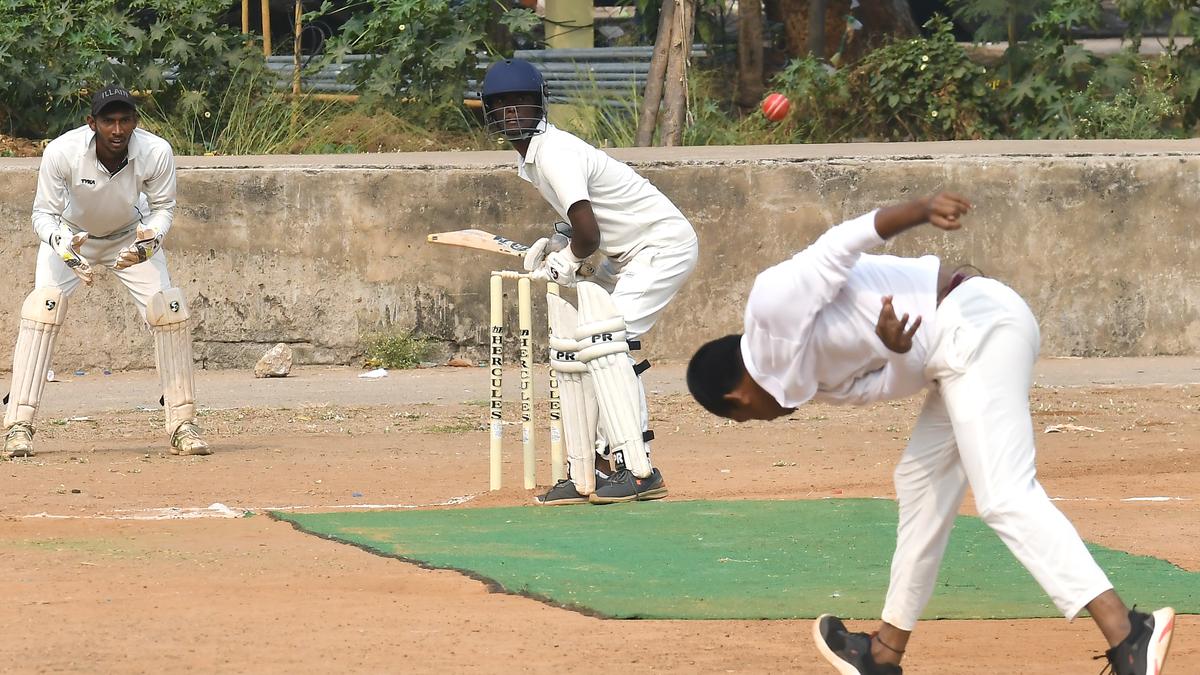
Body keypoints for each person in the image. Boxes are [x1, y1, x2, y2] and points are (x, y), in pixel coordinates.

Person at [686, 193, 1175, 675]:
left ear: (737, 400)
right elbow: (899, 379)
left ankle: (1129, 634)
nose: (765, 423)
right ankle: (882, 654)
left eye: (748, 420)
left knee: (1004, 496)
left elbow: (839, 244)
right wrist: (893, 347)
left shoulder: (771, 308)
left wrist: (920, 211)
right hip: (952, 357)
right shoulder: (812, 385)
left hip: (976, 323)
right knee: (919, 483)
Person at [479, 58, 699, 505]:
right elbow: (579, 222)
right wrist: (556, 242)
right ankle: (589, 469)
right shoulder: (536, 159)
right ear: (488, 111)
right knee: (584, 347)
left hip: (659, 246)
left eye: (521, 102)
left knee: (609, 343)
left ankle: (637, 469)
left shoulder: (554, 153)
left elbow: (590, 235)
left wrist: (566, 258)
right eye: (502, 104)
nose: (512, 112)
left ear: (540, 104)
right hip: (627, 254)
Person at [2, 84, 210, 459]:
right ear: (91, 122)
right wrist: (61, 246)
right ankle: (19, 426)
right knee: (43, 309)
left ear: (135, 121)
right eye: (108, 121)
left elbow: (164, 207)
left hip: (129, 238)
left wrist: (151, 241)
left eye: (125, 120)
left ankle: (183, 424)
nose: (117, 130)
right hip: (72, 237)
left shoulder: (156, 152)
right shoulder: (62, 151)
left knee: (168, 310)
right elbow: (42, 214)